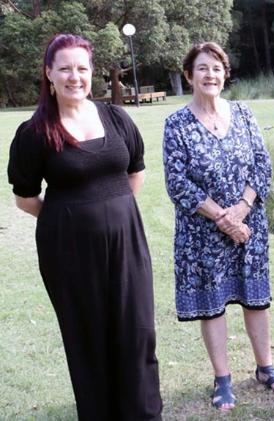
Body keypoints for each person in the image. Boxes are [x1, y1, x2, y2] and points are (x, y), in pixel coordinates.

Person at [7, 34, 162, 420]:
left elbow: (136, 174)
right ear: (49, 74)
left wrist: (111, 214)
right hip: (69, 252)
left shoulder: (115, 117)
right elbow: (25, 198)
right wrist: (70, 220)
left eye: (82, 68)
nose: (74, 76)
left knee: (137, 334)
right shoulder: (35, 133)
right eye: (64, 68)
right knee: (89, 339)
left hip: (128, 243)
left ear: (91, 72)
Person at [163, 42, 274, 411]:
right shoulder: (177, 124)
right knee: (213, 304)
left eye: (216, 68)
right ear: (189, 76)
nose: (210, 75)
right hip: (202, 232)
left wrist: (241, 209)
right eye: (202, 68)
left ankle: (265, 368)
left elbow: (262, 168)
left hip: (248, 225)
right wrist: (221, 217)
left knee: (255, 298)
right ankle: (223, 380)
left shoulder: (245, 115)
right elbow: (178, 182)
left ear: (225, 74)